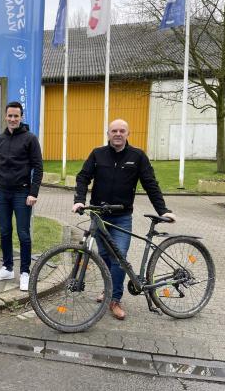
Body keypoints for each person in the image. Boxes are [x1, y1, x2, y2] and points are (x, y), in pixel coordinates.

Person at [72, 118, 176, 320]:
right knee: (104, 257)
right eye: (114, 131)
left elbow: (150, 184)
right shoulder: (97, 154)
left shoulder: (137, 156)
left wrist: (163, 210)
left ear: (128, 134)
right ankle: (109, 290)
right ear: (108, 134)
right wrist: (79, 200)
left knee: (118, 259)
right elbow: (83, 177)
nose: (118, 134)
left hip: (121, 218)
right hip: (99, 216)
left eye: (122, 131)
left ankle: (114, 299)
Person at [0, 101, 43, 291]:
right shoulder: (0, 139)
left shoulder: (30, 139)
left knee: (23, 234)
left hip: (22, 193)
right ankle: (7, 268)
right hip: (2, 192)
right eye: (10, 115)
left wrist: (33, 192)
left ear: (21, 117)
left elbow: (38, 168)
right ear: (5, 116)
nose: (12, 119)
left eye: (16, 116)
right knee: (4, 231)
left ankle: (25, 272)